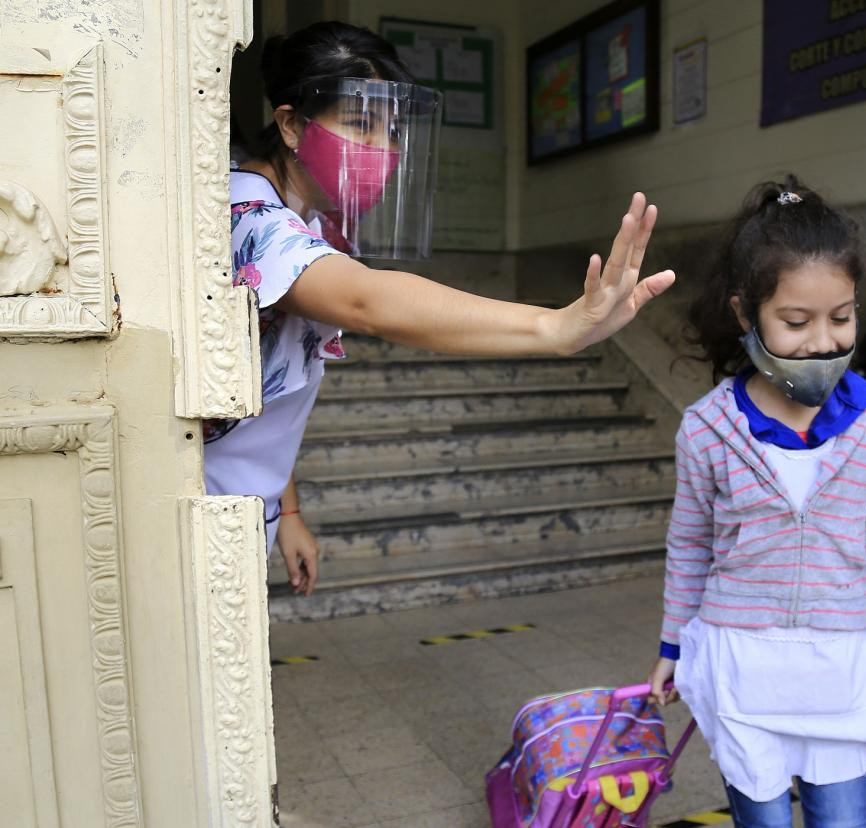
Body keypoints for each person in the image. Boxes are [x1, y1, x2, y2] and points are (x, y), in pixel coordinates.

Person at [203, 22, 674, 595]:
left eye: (393, 129)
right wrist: (554, 326)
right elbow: (366, 299)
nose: (382, 148)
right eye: (359, 123)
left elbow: (269, 383)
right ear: (290, 124)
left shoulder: (307, 218)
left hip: (249, 509)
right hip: (204, 521)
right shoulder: (243, 213)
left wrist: (289, 509)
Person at [646, 180, 866, 827]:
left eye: (840, 317)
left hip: (838, 673)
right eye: (795, 322)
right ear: (744, 315)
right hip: (742, 670)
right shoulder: (707, 427)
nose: (822, 342)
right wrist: (674, 647)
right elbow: (692, 546)